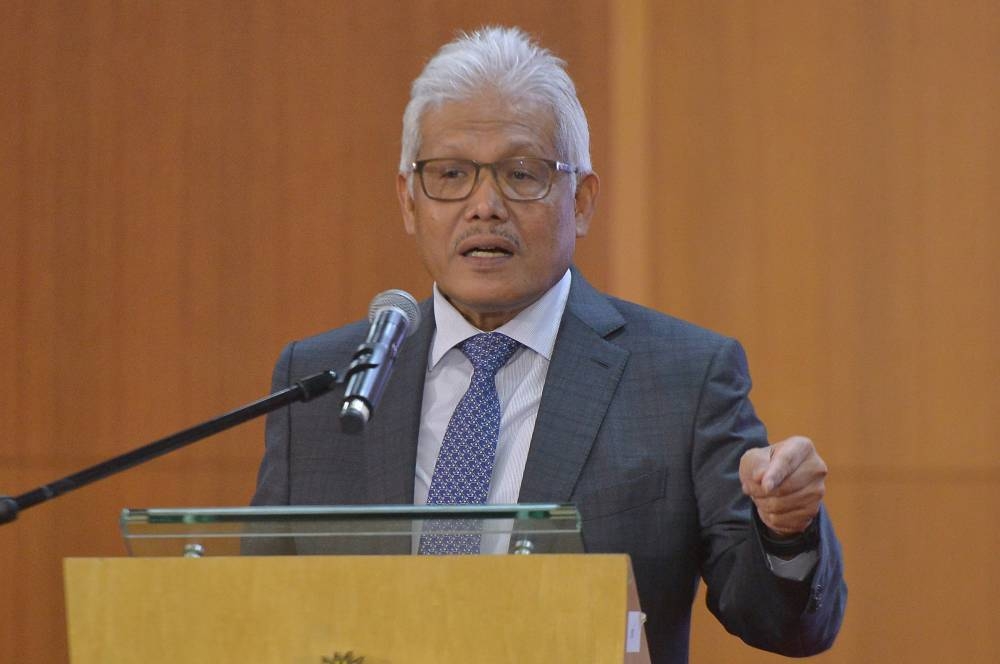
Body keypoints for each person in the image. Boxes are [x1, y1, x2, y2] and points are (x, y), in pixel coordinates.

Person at [252, 26, 846, 663]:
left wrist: (786, 528)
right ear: (408, 200)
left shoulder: (684, 379)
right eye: (450, 174)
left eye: (521, 173)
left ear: (582, 201)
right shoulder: (322, 382)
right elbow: (256, 614)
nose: (484, 205)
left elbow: (783, 625)